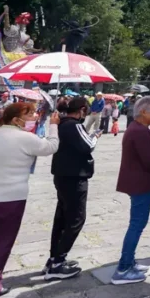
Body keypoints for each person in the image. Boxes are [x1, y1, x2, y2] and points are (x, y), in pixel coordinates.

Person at [0, 103, 60, 298]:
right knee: (0, 244)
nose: (34, 116)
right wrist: (54, 125)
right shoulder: (26, 138)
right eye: (30, 113)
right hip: (10, 199)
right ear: (16, 119)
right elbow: (51, 146)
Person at [112, 97, 150, 284]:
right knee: (137, 224)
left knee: (137, 223)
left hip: (138, 181)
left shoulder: (137, 129)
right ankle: (123, 268)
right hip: (140, 183)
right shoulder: (140, 132)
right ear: (143, 112)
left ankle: (129, 261)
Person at [45, 97, 99, 281]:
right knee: (76, 218)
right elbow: (88, 146)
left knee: (62, 217)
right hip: (74, 177)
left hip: (62, 175)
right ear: (82, 110)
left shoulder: (61, 124)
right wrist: (95, 136)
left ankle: (54, 257)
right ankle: (58, 262)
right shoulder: (73, 125)